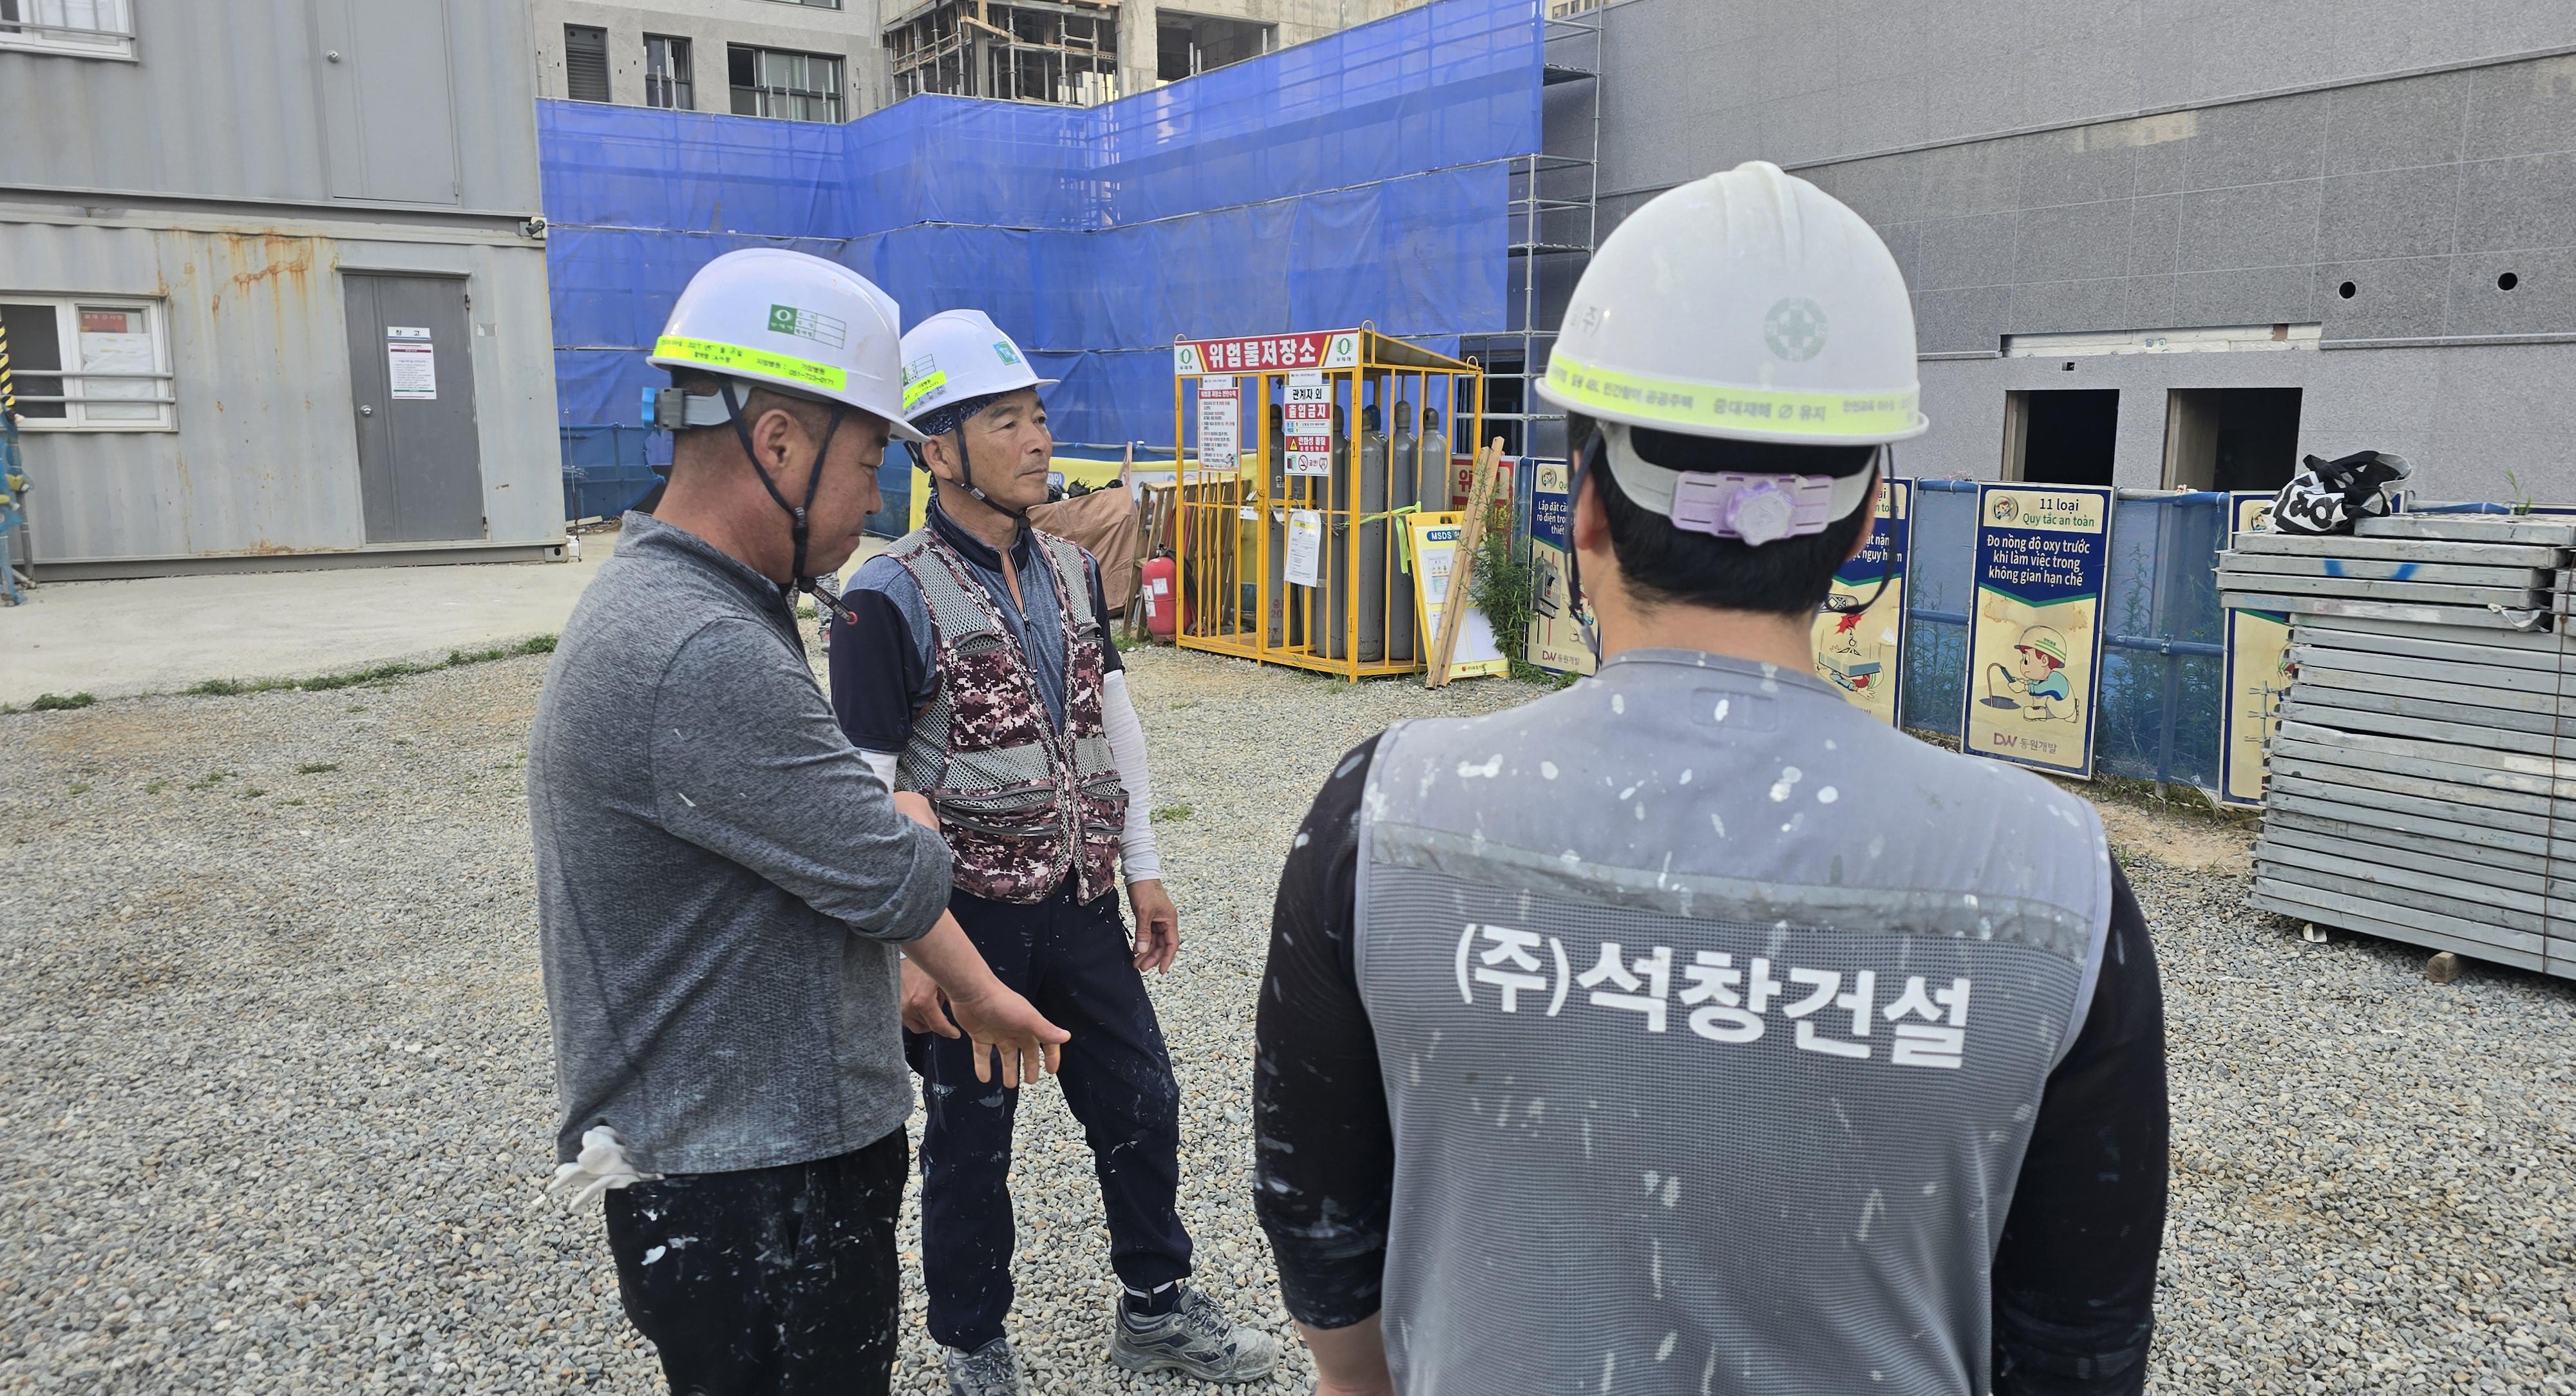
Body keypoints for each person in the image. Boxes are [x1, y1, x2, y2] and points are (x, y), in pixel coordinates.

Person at [1253, 163, 2168, 1396]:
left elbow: (1317, 1222)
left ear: (1584, 507)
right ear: (1863, 526)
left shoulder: (1387, 817)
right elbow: (2080, 1343)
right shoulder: (2053, 880)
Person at [529, 250, 1070, 1396]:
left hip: (742, 1164)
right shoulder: (698, 646)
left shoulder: (690, 603)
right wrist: (912, 811)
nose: (874, 499)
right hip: (755, 1186)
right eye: (867, 460)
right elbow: (893, 872)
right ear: (778, 443)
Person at [828, 308, 1278, 1395]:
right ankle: (972, 1343)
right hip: (965, 921)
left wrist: (1143, 865)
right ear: (937, 452)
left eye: (1037, 416)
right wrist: (906, 952)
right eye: (1005, 421)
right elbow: (864, 786)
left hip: (1080, 902)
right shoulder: (886, 597)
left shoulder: (1074, 569)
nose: (1037, 440)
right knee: (970, 1143)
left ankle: (1155, 1307)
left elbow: (1112, 722)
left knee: (1143, 1100)